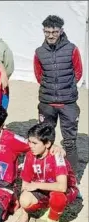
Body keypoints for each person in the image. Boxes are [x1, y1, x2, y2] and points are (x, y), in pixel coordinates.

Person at [34, 15, 82, 179]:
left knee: (69, 142)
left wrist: (65, 89)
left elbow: (78, 72)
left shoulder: (72, 49)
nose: (51, 35)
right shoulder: (39, 52)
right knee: (44, 139)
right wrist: (51, 91)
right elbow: (38, 75)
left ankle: (71, 180)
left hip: (68, 103)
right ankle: (47, 174)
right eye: (47, 32)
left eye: (54, 31)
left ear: (61, 31)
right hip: (47, 103)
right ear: (43, 31)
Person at [16, 123, 79, 222]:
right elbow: (25, 183)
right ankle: (47, 207)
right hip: (42, 187)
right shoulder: (29, 155)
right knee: (24, 199)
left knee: (58, 198)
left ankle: (53, 219)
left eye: (35, 143)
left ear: (47, 144)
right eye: (30, 142)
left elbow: (62, 187)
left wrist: (36, 185)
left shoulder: (57, 156)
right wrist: (24, 213)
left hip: (63, 190)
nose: (30, 145)